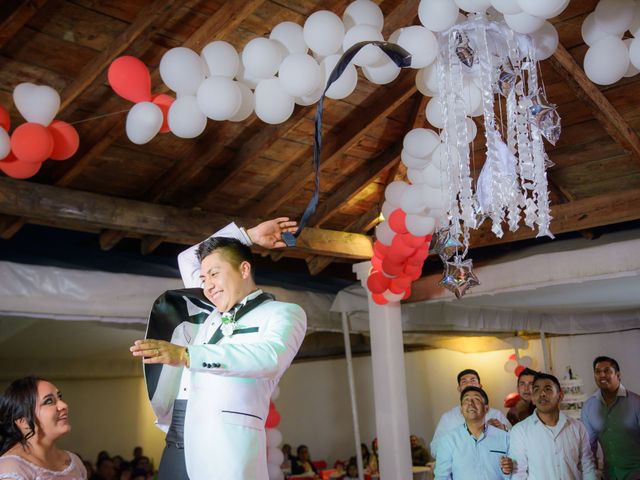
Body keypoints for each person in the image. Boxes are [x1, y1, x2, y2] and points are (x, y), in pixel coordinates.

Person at [130, 218, 306, 480]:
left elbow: (270, 358)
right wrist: (248, 236)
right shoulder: (212, 306)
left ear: (244, 269)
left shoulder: (283, 313)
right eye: (203, 277)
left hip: (226, 447)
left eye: (214, 274)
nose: (207, 284)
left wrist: (188, 355)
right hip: (179, 432)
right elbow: (189, 257)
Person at [510, 372, 596, 479]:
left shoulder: (577, 427)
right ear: (532, 398)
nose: (542, 394)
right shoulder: (519, 431)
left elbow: (587, 466)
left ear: (560, 395)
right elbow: (518, 473)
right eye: (536, 390)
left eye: (548, 389)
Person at [0, 376, 87, 479]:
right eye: (49, 401)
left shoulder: (74, 462)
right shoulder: (11, 469)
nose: (64, 405)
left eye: (59, 397)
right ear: (23, 421)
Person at [581, 356, 640, 480]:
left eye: (607, 370)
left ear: (618, 375)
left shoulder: (636, 403)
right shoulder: (589, 406)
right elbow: (589, 446)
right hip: (609, 474)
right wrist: (593, 474)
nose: (602, 375)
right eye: (597, 371)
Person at [435, 386, 512, 479]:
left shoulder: (504, 437)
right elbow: (441, 477)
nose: (470, 403)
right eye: (466, 400)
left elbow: (515, 473)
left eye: (476, 399)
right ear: (461, 410)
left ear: (486, 409)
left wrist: (508, 472)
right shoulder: (448, 440)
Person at [431, 369, 511, 458]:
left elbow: (513, 443)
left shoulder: (496, 414)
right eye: (464, 381)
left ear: (480, 386)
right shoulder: (448, 417)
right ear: (459, 388)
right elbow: (435, 449)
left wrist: (503, 429)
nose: (469, 384)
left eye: (473, 380)